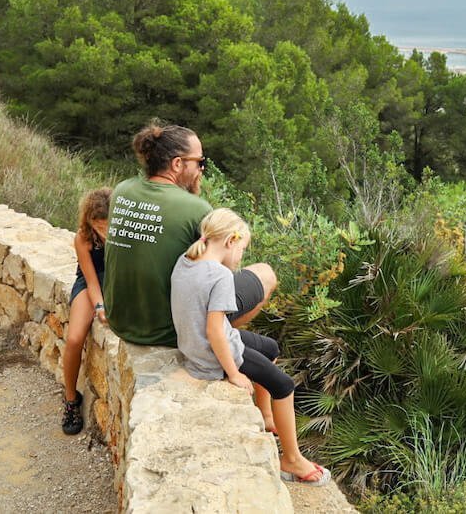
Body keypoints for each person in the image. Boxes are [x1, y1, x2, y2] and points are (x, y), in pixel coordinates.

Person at [171, 208, 330, 486]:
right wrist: (233, 373)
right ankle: (291, 459)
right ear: (230, 241)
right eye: (242, 249)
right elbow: (215, 331)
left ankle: (267, 417)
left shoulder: (185, 261)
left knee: (270, 347)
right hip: (212, 354)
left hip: (193, 345)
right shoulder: (219, 276)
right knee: (283, 385)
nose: (241, 257)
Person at [103, 121, 276, 346]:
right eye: (199, 162)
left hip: (120, 320)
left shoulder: (122, 190)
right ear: (177, 164)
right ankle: (212, 342)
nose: (202, 169)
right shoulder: (195, 209)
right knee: (266, 274)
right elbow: (220, 275)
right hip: (167, 331)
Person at [61, 187, 111, 435]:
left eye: (107, 226)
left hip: (115, 281)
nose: (103, 231)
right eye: (98, 226)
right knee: (74, 338)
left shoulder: (124, 235)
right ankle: (71, 399)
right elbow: (91, 280)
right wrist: (100, 306)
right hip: (91, 281)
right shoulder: (83, 238)